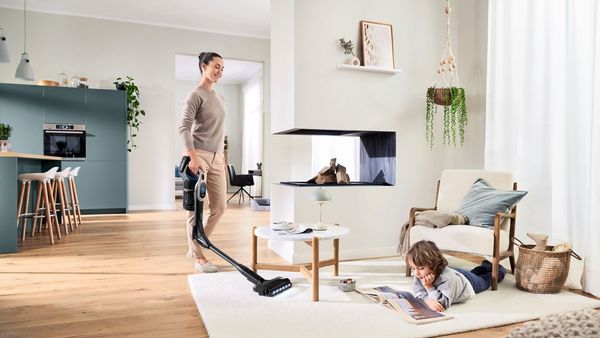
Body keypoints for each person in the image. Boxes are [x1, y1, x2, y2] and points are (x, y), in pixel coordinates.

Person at [178, 52, 227, 273]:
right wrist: (193, 155)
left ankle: (197, 243)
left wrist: (222, 158)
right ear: (203, 66)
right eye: (216, 66)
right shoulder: (194, 95)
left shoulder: (220, 98)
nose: (219, 71)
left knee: (219, 208)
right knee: (196, 209)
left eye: (222, 68)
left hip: (217, 158)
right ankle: (199, 257)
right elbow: (184, 127)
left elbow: (219, 132)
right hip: (199, 155)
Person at [405, 240, 506, 311]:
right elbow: (419, 295)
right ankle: (486, 265)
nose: (416, 273)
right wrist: (427, 300)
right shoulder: (419, 275)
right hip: (457, 274)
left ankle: (501, 270)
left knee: (485, 281)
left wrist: (429, 287)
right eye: (413, 268)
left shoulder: (448, 279)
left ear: (433, 263)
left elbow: (440, 304)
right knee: (473, 273)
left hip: (466, 282)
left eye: (421, 268)